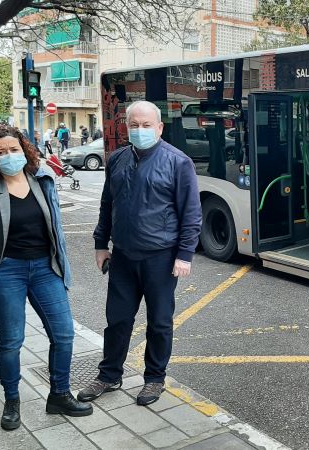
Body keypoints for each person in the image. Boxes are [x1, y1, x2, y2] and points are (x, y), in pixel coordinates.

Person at [0, 126, 93, 430]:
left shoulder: (41, 179)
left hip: (46, 268)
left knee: (63, 334)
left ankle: (59, 395)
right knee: (11, 340)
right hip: (7, 272)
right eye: (1, 152)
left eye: (13, 149)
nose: (9, 156)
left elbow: (54, 225)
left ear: (24, 151)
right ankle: (12, 401)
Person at [78, 100, 201, 406]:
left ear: (159, 128)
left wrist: (184, 255)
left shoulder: (178, 162)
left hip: (161, 258)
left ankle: (154, 379)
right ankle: (109, 375)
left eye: (146, 125)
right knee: (117, 320)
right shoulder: (118, 159)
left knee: (159, 322)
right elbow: (107, 204)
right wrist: (100, 244)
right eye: (134, 125)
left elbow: (191, 213)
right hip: (123, 256)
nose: (140, 130)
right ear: (126, 127)